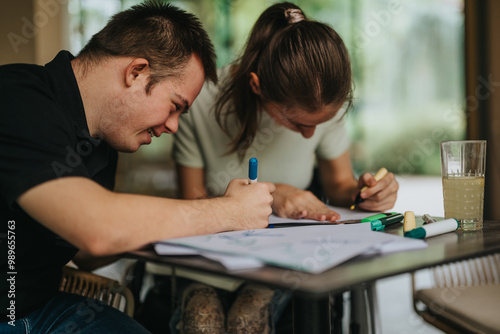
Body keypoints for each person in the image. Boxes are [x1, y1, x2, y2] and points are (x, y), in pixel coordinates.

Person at [0, 1, 275, 333]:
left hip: (40, 308)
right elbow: (98, 230)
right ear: (136, 72)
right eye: (175, 106)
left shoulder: (101, 142)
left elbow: (87, 253)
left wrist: (207, 220)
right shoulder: (17, 98)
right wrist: (228, 211)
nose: (173, 127)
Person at [171, 2, 399, 333]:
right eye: (296, 122)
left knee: (246, 320)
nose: (310, 134)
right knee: (202, 321)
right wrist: (272, 195)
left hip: (287, 260)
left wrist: (365, 194)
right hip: (209, 260)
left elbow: (339, 187)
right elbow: (188, 205)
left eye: (320, 125)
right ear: (256, 85)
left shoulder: (324, 101)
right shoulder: (200, 100)